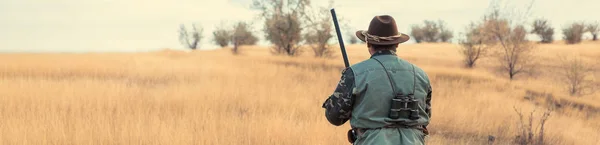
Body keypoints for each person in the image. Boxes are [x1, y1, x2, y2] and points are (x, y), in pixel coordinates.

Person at [322, 15, 433, 145]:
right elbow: (426, 116)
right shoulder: (421, 75)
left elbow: (334, 117)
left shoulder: (355, 73)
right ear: (397, 44)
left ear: (368, 43)